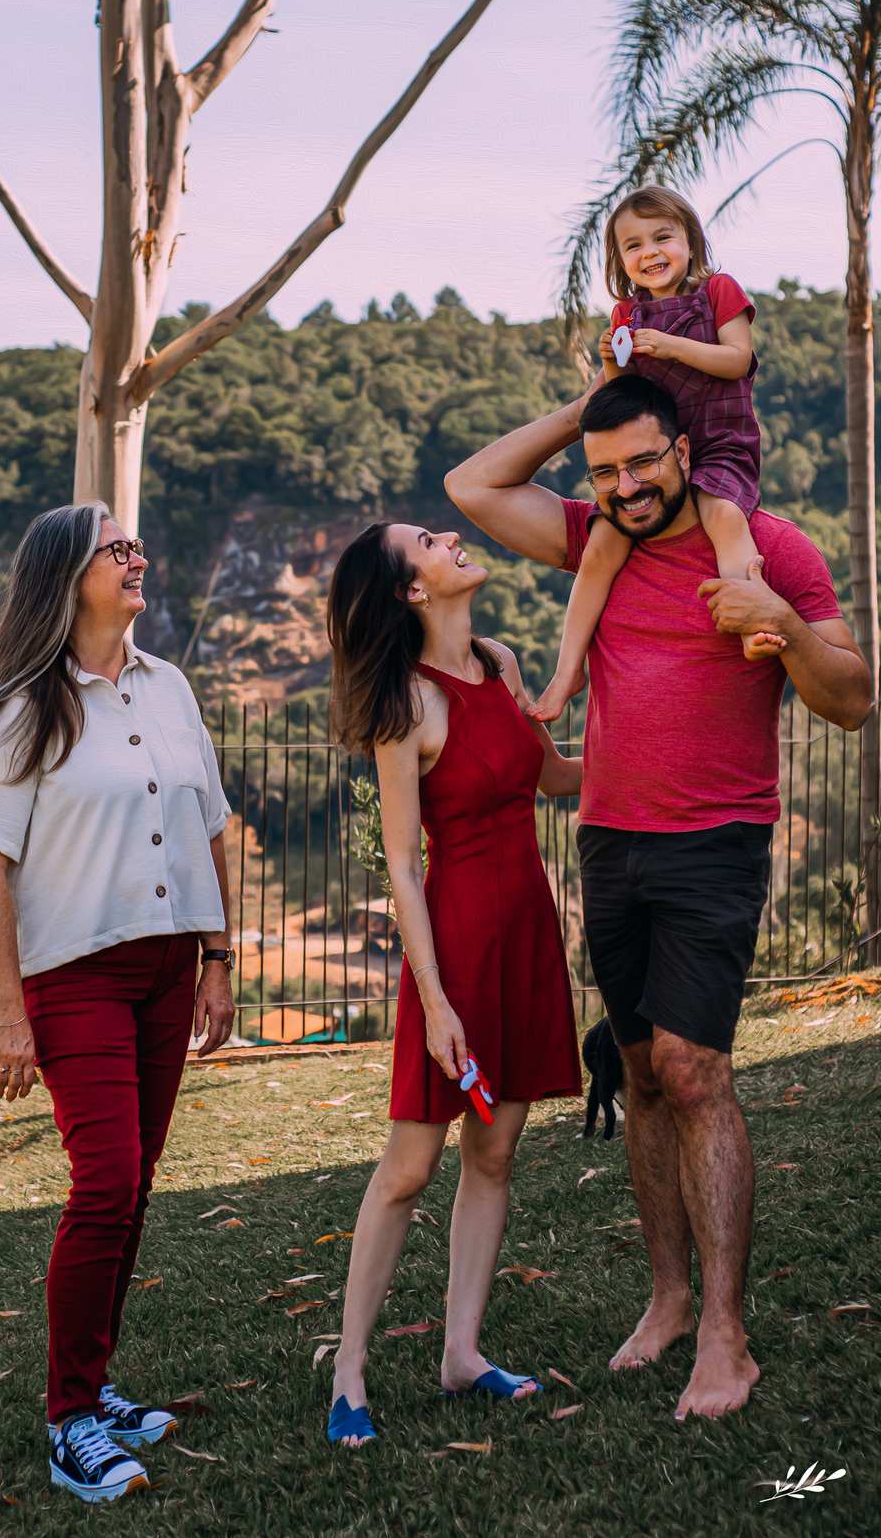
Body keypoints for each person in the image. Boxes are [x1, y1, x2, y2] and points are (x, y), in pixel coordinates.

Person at [446, 373, 871, 1421]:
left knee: (694, 1069)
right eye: (605, 471)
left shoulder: (769, 546)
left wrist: (779, 619)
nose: (627, 486)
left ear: (688, 449)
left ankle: (727, 1334)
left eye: (643, 460)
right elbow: (475, 484)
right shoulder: (598, 537)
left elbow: (853, 700)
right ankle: (671, 1300)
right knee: (638, 1071)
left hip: (716, 841)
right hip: (611, 842)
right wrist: (589, 407)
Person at [0, 503, 236, 1503]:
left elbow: (212, 823)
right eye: (119, 548)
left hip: (167, 969)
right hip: (73, 976)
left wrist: (219, 955)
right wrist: (5, 1010)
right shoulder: (17, 709)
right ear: (69, 574)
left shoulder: (169, 686)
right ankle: (71, 1417)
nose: (139, 556)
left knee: (138, 1180)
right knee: (106, 1182)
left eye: (137, 544)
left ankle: (96, 1382)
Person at [322, 520, 583, 1447]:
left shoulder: (500, 662)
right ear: (411, 590)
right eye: (429, 541)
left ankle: (461, 1352)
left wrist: (646, 753)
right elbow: (400, 865)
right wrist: (436, 1001)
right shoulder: (406, 703)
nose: (453, 540)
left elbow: (548, 777)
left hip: (528, 932)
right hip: (458, 945)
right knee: (410, 1168)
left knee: (496, 1152)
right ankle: (349, 1366)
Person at [530, 186, 781, 726]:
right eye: (633, 245)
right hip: (655, 461)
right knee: (600, 545)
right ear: (620, 262)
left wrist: (669, 346)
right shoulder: (627, 312)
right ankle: (568, 669)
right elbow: (625, 401)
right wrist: (614, 364)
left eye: (663, 236)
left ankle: (754, 617)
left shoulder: (718, 291)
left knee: (724, 516)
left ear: (690, 240)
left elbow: (737, 360)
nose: (650, 252)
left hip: (717, 444)